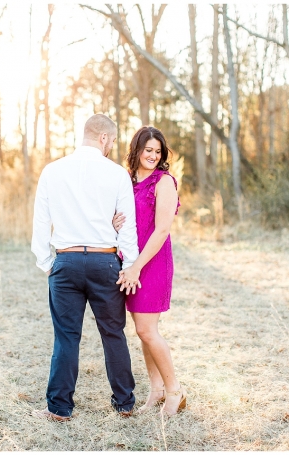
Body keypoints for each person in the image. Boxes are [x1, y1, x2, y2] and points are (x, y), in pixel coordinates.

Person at [30, 114, 142, 421]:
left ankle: (59, 408)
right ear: (104, 138)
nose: (112, 147)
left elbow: (41, 221)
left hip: (65, 262)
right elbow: (128, 226)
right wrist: (129, 264)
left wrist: (47, 262)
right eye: (113, 141)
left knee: (66, 336)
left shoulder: (52, 171)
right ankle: (124, 403)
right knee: (113, 333)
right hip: (105, 261)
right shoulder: (116, 174)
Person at [113, 126, 185, 417]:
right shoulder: (128, 181)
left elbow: (162, 229)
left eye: (158, 151)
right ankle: (156, 390)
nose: (153, 156)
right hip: (130, 261)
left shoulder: (164, 182)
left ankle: (175, 391)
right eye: (148, 150)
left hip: (150, 263)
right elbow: (128, 220)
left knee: (147, 329)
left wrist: (136, 267)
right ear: (137, 150)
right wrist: (115, 225)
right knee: (143, 332)